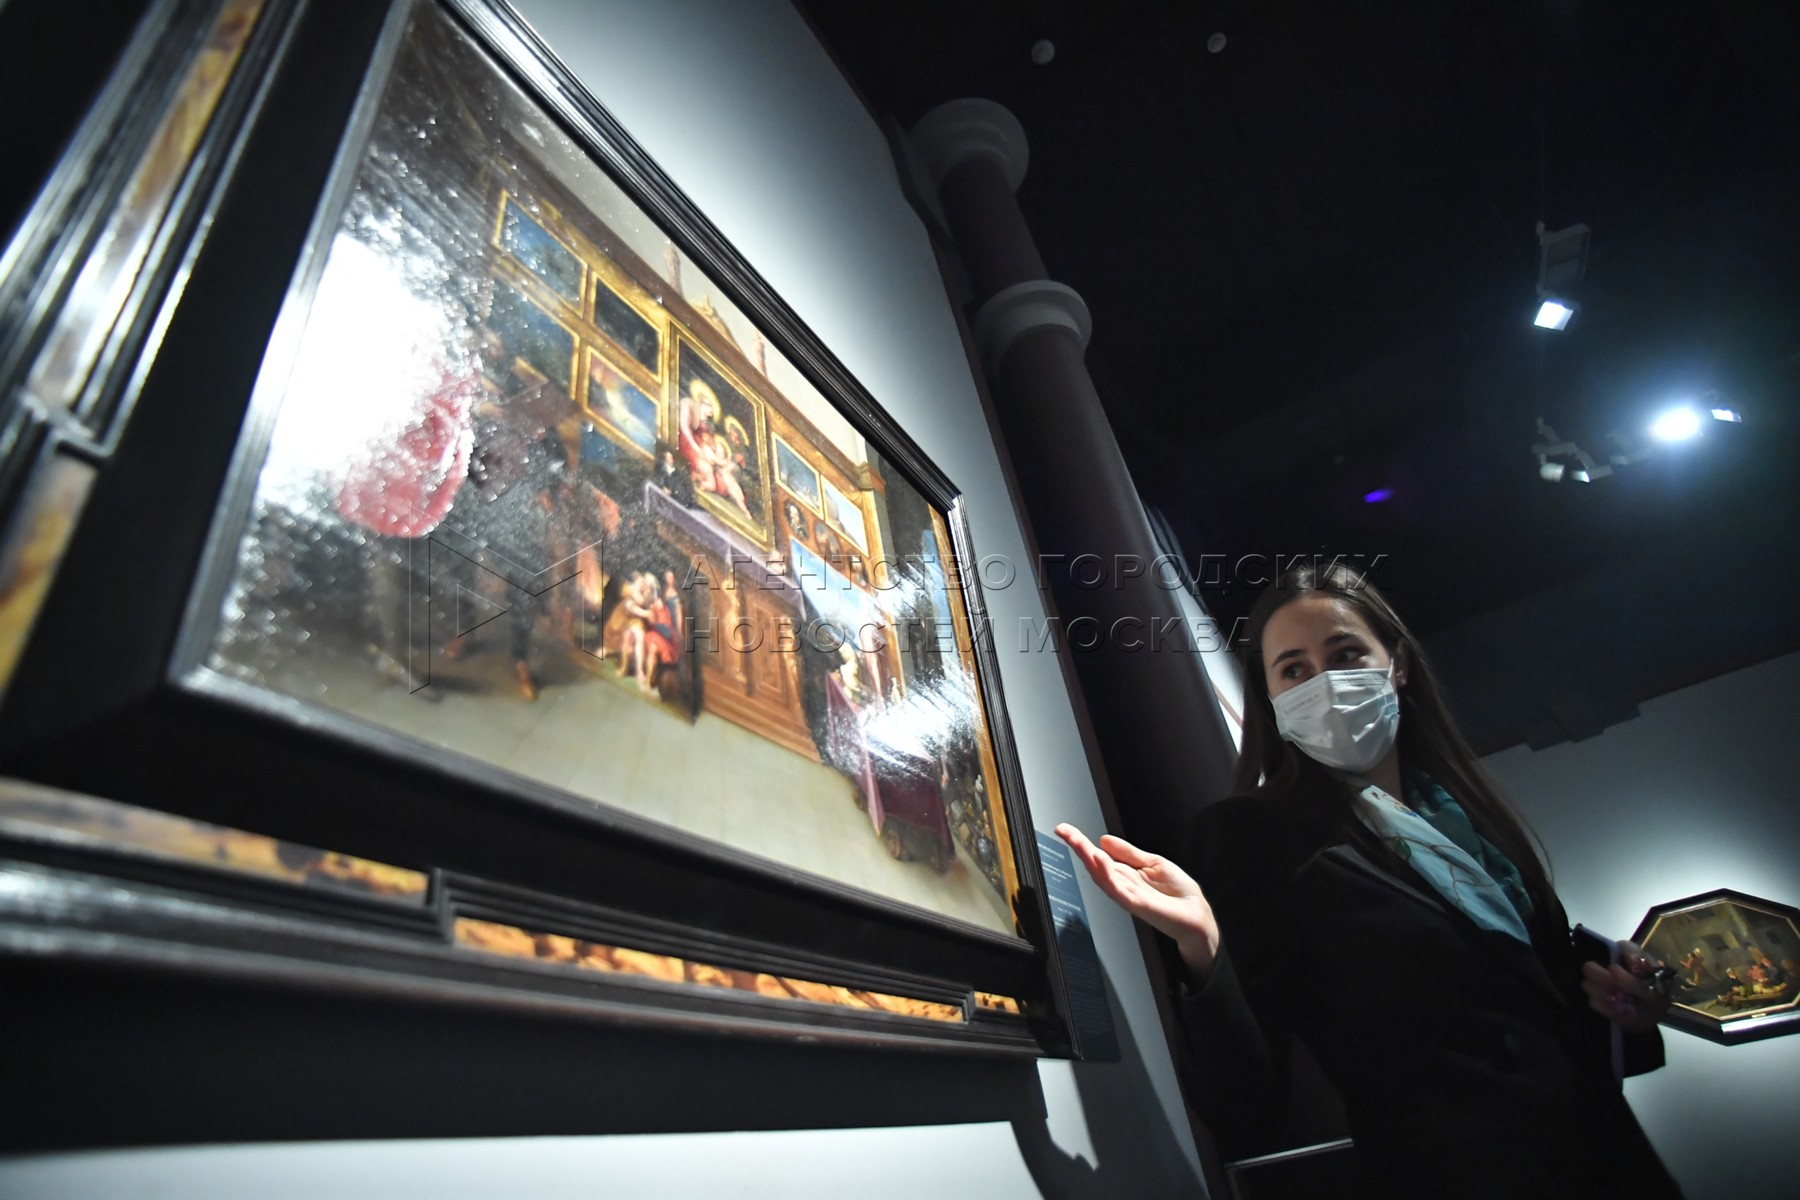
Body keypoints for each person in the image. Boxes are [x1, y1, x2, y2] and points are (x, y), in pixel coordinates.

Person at [1056, 562, 1684, 1200]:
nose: (1325, 683)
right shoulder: (1252, 838)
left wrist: (1625, 1010)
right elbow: (1243, 1100)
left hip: (1615, 1166)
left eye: (1346, 654)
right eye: (1294, 669)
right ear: (1271, 699)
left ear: (1398, 665)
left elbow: (1550, 1012)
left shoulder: (1473, 820)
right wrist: (1203, 947)